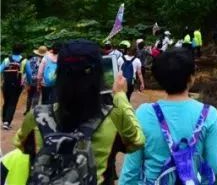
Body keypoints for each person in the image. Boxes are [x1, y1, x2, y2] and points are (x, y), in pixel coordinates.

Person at [15, 39, 145, 185]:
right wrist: (120, 96)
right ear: (99, 75)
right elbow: (136, 141)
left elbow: (20, 144)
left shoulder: (37, 115)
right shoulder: (114, 116)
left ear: (59, 74)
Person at [119, 48, 217, 185]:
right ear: (191, 77)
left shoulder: (143, 113)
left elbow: (131, 170)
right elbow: (215, 168)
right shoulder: (209, 115)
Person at [2, 45, 25, 129]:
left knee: (6, 101)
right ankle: (7, 122)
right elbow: (29, 73)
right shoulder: (24, 61)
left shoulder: (6, 60)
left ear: (12, 50)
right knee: (12, 103)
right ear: (21, 51)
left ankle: (4, 120)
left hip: (6, 84)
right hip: (17, 85)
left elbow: (0, 69)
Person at [23, 46, 46, 114]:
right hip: (39, 80)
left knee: (30, 95)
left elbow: (28, 71)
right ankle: (33, 111)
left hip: (31, 80)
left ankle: (27, 110)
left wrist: (27, 82)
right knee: (37, 95)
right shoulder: (45, 60)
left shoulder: (31, 59)